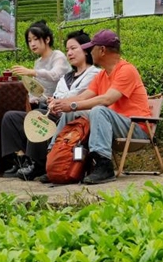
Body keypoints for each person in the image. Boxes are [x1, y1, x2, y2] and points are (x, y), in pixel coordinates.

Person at [47, 29, 150, 185]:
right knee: (72, 113)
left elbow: (107, 99)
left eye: (92, 48)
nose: (89, 51)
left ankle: (103, 165)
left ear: (102, 50)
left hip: (136, 127)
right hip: (113, 124)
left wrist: (73, 105)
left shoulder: (127, 70)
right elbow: (82, 97)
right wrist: (62, 104)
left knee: (99, 110)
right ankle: (54, 158)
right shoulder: (101, 75)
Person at [0, 30, 101, 181]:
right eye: (67, 50)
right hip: (55, 113)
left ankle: (38, 164)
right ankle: (20, 161)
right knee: (11, 117)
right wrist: (52, 100)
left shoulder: (94, 74)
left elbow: (80, 96)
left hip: (74, 117)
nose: (69, 53)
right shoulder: (66, 77)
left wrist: (59, 101)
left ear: (86, 50)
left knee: (40, 117)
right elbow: (57, 95)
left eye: (73, 48)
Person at [9, 20, 69, 107]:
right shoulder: (38, 62)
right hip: (43, 105)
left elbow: (55, 75)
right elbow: (36, 88)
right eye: (29, 41)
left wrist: (33, 72)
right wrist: (33, 98)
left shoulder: (58, 56)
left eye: (36, 39)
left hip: (59, 106)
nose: (32, 44)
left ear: (47, 39)